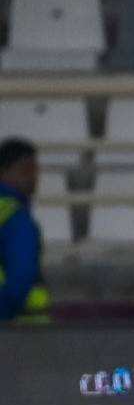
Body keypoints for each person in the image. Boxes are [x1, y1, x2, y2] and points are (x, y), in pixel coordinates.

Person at [0, 138, 48, 324]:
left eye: (35, 169)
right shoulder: (16, 220)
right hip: (21, 332)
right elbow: (21, 276)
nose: (34, 176)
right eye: (25, 169)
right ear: (3, 172)